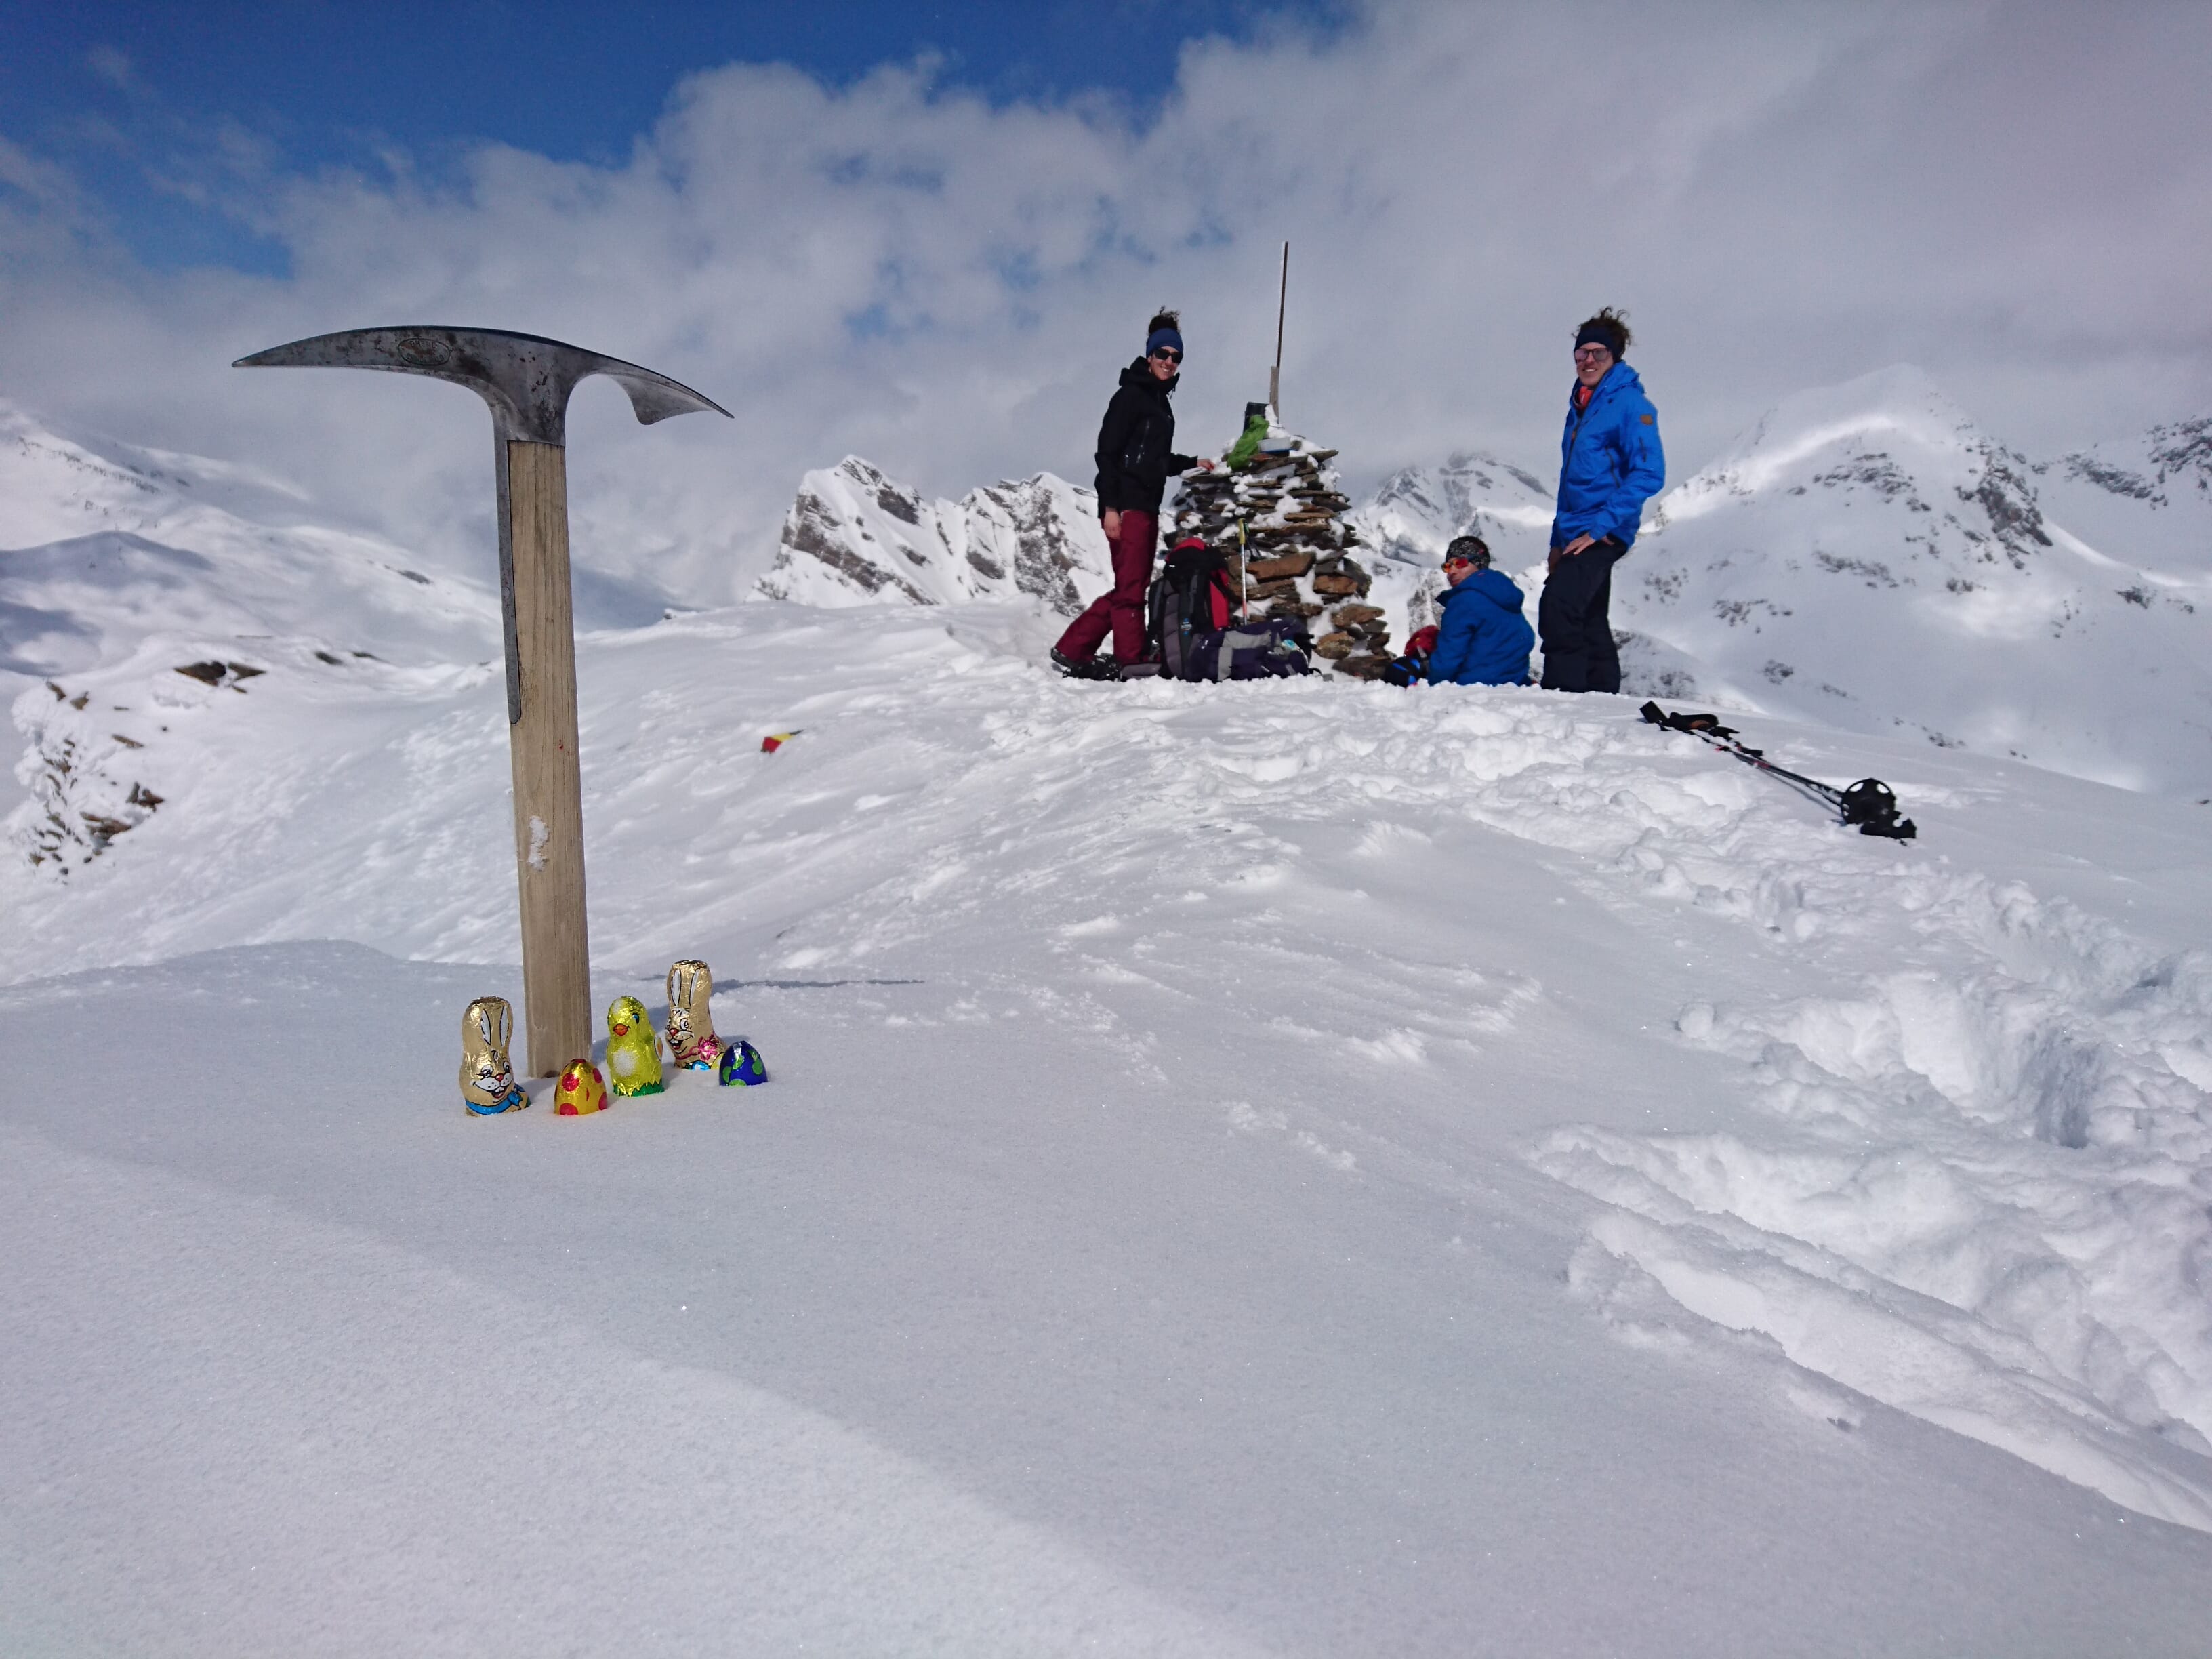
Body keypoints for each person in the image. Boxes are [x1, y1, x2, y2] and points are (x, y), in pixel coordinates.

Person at [1051, 309, 1217, 678]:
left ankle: (1072, 648)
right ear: (1149, 356)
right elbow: (1106, 453)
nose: (1170, 362)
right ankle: (1131, 660)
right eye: (1163, 354)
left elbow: (1153, 460)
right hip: (1128, 507)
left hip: (1145, 505)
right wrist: (1111, 507)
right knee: (1130, 590)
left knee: (1130, 586)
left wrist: (1192, 461)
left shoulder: (1160, 404)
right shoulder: (1130, 396)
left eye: (1177, 357)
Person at [1540, 308, 1664, 694]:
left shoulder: (1631, 405)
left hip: (1603, 530)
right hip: (1577, 531)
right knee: (1589, 619)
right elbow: (1569, 482)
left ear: (1616, 357)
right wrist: (1557, 542)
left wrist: (1599, 528)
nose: (1588, 360)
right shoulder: (1581, 407)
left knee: (1558, 608)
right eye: (1581, 354)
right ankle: (1601, 702)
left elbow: (1648, 472)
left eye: (1599, 353)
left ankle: (1565, 699)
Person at [1425, 535, 1534, 686]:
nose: (1452, 572)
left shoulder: (1464, 600)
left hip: (1473, 689)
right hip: (1512, 687)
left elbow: (1448, 657)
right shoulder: (1506, 596)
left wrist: (1431, 685)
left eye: (1460, 563)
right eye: (1448, 566)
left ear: (1479, 563)